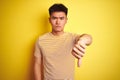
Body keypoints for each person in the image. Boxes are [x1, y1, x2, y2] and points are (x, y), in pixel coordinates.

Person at [34, 3, 92, 80]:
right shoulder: (40, 40)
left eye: (61, 18)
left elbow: (89, 38)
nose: (58, 22)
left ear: (66, 20)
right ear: (49, 20)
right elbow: (37, 64)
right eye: (54, 18)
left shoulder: (73, 38)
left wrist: (83, 40)